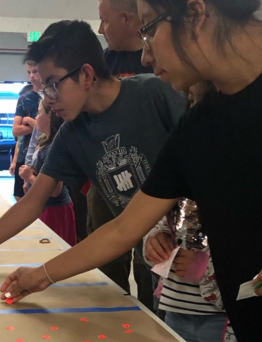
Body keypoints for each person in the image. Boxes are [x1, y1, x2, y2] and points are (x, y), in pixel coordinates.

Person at [0, 0, 262, 342]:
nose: (145, 55)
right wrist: (41, 275)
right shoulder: (201, 123)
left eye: (149, 31)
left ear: (196, 13)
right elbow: (126, 227)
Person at [0, 21, 186, 280]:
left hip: (197, 250)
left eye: (53, 84)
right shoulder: (72, 134)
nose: (47, 97)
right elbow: (33, 201)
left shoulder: (153, 94)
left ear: (87, 75)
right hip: (153, 256)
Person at [91, 0, 156, 306]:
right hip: (108, 177)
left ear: (127, 19)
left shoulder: (158, 58)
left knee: (150, 264)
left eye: (105, 21)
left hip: (152, 179)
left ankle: (150, 322)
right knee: (108, 260)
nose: (101, 30)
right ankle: (111, 319)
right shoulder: (102, 63)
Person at [19, 102, 77, 245]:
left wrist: (30, 178)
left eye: (39, 113)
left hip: (54, 209)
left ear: (49, 116)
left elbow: (55, 191)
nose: (36, 117)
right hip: (44, 206)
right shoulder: (43, 141)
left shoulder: (53, 148)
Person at [10, 64, 43, 200]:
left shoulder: (52, 96)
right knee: (20, 195)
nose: (31, 76)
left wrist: (29, 121)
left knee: (40, 196)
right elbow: (16, 131)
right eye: (28, 72)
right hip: (25, 155)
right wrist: (36, 126)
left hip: (43, 155)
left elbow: (53, 129)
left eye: (35, 71)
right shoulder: (24, 99)